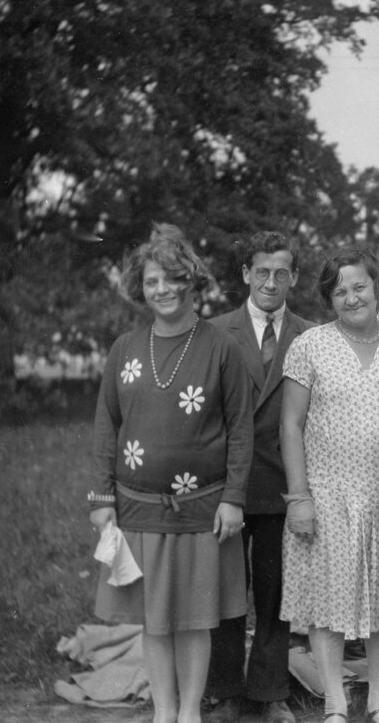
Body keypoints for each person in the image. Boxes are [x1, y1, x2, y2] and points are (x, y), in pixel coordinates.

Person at [89, 224, 253, 723]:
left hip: (204, 509)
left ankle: (189, 712)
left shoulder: (221, 348)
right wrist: (102, 499)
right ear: (141, 287)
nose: (162, 290)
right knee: (154, 621)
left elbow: (241, 429)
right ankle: (163, 712)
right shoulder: (124, 349)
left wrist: (233, 498)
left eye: (172, 279)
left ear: (191, 282)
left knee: (195, 620)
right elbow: (105, 427)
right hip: (138, 508)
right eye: (152, 281)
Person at [278, 250, 379, 723]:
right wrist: (299, 498)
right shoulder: (310, 345)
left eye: (359, 286)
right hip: (326, 495)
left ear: (377, 287)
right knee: (328, 605)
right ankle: (334, 703)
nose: (352, 297)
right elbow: (290, 425)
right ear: (329, 298)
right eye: (339, 291)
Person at [207, 231, 315, 723]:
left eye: (282, 273)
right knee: (228, 593)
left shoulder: (311, 334)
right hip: (225, 485)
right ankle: (226, 691)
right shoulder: (212, 333)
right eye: (262, 272)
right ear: (246, 274)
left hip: (282, 483)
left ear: (293, 276)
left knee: (276, 593)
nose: (272, 282)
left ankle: (270, 691)